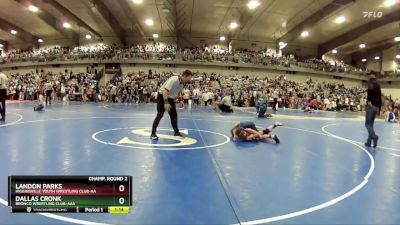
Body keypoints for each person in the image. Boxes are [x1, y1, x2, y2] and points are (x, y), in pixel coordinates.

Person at [151, 70, 193, 140]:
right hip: (162, 96)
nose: (190, 80)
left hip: (170, 98)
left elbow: (179, 92)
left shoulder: (183, 83)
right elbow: (165, 91)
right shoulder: (173, 79)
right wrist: (166, 103)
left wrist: (181, 100)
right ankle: (153, 133)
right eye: (189, 78)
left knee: (174, 115)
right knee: (160, 114)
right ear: (184, 76)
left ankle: (176, 132)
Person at [365, 72, 381, 148]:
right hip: (376, 107)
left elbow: (370, 92)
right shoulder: (378, 84)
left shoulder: (371, 82)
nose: (368, 77)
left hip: (371, 106)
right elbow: (380, 97)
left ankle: (374, 137)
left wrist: (369, 101)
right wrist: (379, 109)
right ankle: (368, 142)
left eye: (368, 75)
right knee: (371, 125)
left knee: (367, 124)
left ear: (371, 76)